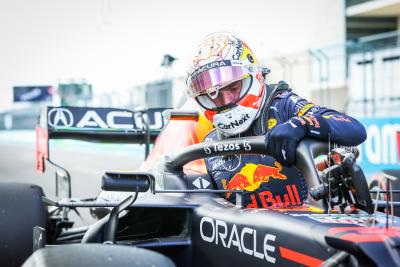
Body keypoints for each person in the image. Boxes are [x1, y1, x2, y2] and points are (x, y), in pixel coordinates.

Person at [186, 32, 367, 208]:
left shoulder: (283, 106)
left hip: (306, 228)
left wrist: (302, 124)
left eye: (233, 87)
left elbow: (355, 129)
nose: (225, 101)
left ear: (255, 77)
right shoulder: (209, 143)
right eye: (213, 95)